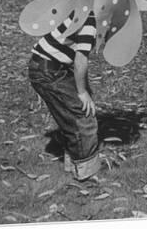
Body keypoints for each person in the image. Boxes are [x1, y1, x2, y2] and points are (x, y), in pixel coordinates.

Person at [28, 10, 100, 181]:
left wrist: (85, 90)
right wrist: (81, 92)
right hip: (49, 70)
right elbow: (80, 60)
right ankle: (87, 174)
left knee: (71, 114)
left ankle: (73, 165)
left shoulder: (82, 11)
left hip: (46, 66)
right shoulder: (89, 20)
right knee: (82, 117)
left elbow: (77, 59)